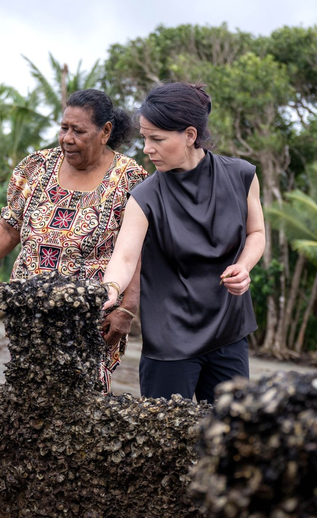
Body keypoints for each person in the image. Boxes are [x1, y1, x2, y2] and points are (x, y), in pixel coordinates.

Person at [0, 89, 148, 391]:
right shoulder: (36, 168)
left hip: (90, 316)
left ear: (105, 132)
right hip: (28, 310)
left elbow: (136, 251)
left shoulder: (129, 178)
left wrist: (127, 309)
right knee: (28, 394)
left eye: (78, 131)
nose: (67, 139)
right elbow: (9, 228)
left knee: (83, 398)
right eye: (64, 128)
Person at [101, 82, 265, 401]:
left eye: (157, 139)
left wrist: (244, 267)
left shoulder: (242, 175)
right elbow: (124, 257)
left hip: (228, 332)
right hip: (169, 341)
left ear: (189, 135)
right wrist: (110, 290)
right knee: (162, 446)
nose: (147, 148)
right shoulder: (145, 196)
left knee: (228, 438)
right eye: (145, 138)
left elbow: (256, 233)